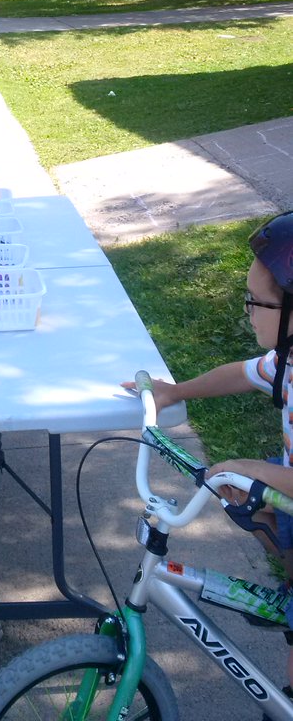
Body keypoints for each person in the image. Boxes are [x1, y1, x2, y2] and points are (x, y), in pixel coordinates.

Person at [127, 212, 293, 700]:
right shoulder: (286, 360)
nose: (247, 311)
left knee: (243, 485)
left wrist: (247, 469)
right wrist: (175, 391)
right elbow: (241, 373)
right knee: (250, 502)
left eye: (255, 302)